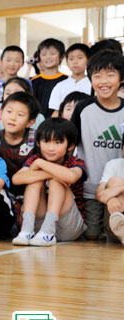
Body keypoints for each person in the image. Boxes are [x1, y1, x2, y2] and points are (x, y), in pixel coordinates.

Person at [72, 50, 124, 240]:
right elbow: (71, 144)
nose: (104, 81)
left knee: (113, 233)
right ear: (90, 78)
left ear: (121, 79)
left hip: (120, 188)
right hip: (90, 188)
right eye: (97, 75)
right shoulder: (83, 108)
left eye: (111, 75)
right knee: (92, 235)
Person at [12, 117, 87, 246]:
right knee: (34, 180)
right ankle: (26, 230)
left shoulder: (75, 161)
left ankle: (49, 230)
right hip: (39, 225)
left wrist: (40, 164)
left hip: (68, 226)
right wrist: (43, 170)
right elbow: (16, 179)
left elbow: (71, 177)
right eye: (46, 141)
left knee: (57, 180)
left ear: (70, 146)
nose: (50, 148)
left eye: (58, 142)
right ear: (38, 143)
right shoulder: (35, 158)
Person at [48, 43, 91, 116]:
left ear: (88, 60)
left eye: (80, 58)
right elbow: (56, 112)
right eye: (71, 59)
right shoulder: (60, 86)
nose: (75, 62)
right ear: (67, 62)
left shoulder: (93, 84)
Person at [31, 38, 68, 118]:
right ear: (39, 58)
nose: (48, 57)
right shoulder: (33, 81)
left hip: (59, 123)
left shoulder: (67, 80)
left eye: (52, 54)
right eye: (44, 54)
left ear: (62, 57)